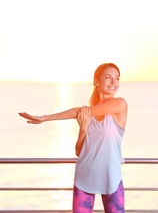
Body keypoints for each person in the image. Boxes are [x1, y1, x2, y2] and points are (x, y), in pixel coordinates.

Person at [19, 62, 128, 213]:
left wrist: (45, 118)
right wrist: (83, 129)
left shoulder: (119, 104)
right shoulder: (87, 115)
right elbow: (79, 151)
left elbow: (80, 111)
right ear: (96, 81)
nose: (113, 82)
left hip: (112, 178)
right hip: (84, 177)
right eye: (108, 77)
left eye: (117, 78)